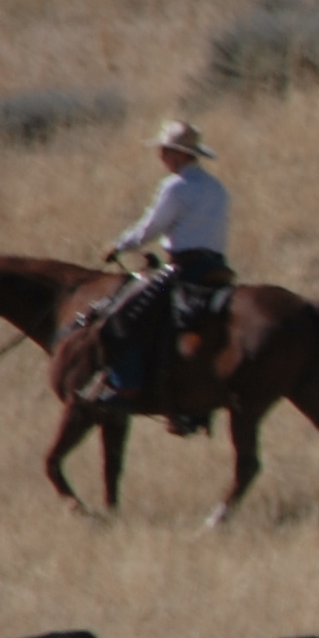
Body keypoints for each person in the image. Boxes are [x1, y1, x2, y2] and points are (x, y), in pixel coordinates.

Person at [94, 120, 234, 423]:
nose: (161, 157)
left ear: (178, 155)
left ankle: (125, 388)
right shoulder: (216, 187)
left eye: (164, 151)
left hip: (184, 268)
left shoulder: (175, 186)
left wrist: (118, 246)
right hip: (217, 267)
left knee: (124, 317)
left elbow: (150, 228)